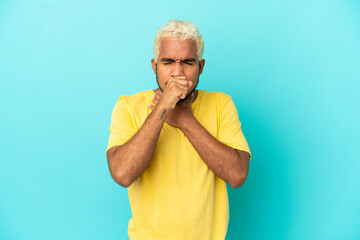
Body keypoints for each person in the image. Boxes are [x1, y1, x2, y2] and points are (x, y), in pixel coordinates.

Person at [106, 19, 252, 240]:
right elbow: (122, 173)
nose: (178, 72)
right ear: (154, 66)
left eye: (187, 62)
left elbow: (238, 175)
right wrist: (163, 106)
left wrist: (184, 120)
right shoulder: (127, 106)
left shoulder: (221, 104)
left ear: (201, 66)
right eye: (168, 62)